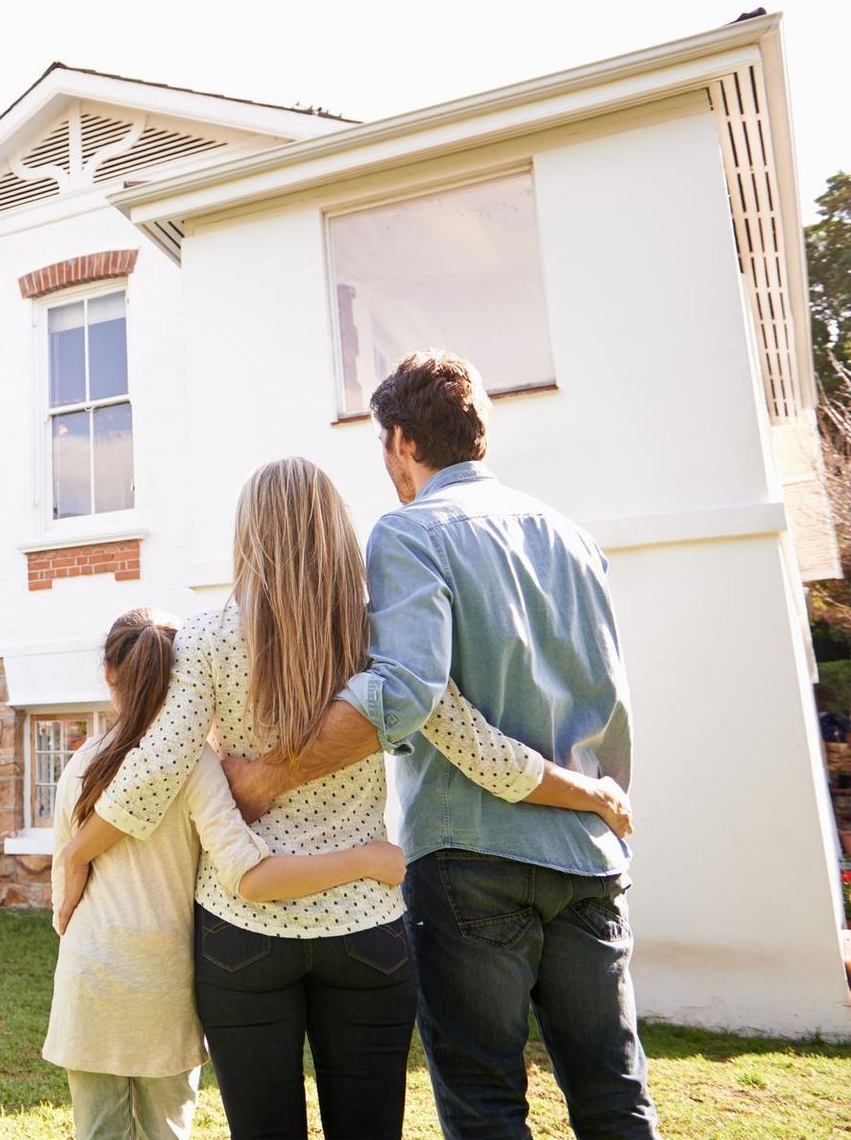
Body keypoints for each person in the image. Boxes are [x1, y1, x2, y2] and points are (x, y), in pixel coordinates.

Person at [58, 458, 631, 1140]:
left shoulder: (209, 638)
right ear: (334, 532)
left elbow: (154, 771)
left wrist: (75, 853)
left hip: (243, 934)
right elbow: (478, 748)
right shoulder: (376, 637)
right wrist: (589, 792)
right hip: (365, 928)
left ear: (249, 537)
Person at [216, 352, 660, 1139]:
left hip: (472, 863)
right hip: (591, 854)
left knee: (486, 1107)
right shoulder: (574, 539)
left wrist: (272, 774)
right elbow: (612, 701)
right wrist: (597, 802)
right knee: (614, 1099)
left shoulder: (410, 531)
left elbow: (405, 691)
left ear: (398, 441)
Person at [45, 606, 408, 1140]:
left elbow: (65, 878)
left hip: (89, 982)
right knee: (166, 1129)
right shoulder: (195, 766)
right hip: (161, 988)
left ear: (109, 675)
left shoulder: (81, 764)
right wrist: (367, 859)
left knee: (97, 1131)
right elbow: (249, 875)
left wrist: (68, 920)